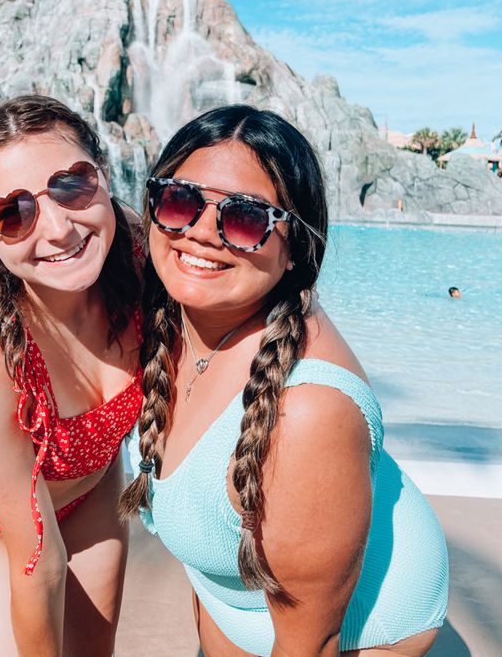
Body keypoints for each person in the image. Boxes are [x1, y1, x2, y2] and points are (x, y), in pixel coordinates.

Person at [121, 105, 448, 656]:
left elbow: (309, 643)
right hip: (237, 600)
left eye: (245, 219)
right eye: (179, 200)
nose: (200, 233)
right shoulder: (183, 309)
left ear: (294, 246)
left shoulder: (308, 414)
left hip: (357, 631)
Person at [0, 95, 142, 657]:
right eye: (12, 213)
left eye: (72, 185)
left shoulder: (143, 263)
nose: (60, 230)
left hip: (93, 493)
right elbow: (35, 556)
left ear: (104, 175)